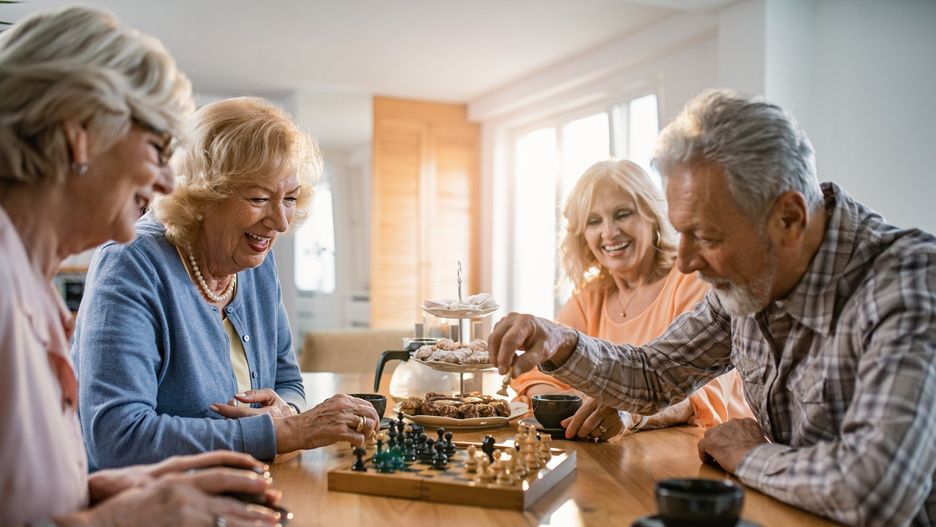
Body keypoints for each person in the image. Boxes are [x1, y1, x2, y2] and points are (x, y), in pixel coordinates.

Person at [489, 89, 936, 525]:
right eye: (681, 232)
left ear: (788, 218)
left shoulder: (908, 286)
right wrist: (561, 342)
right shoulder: (747, 284)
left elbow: (874, 491)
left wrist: (750, 455)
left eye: (707, 236)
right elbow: (654, 375)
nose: (684, 261)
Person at [0, 6, 282, 525]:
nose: (168, 184)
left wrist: (90, 493)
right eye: (156, 147)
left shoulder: (27, 281)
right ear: (78, 132)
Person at [72, 96, 379, 469]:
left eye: (291, 199)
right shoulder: (131, 263)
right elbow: (116, 439)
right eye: (259, 197)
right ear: (202, 196)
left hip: (246, 486)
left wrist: (290, 410)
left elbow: (287, 381)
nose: (281, 222)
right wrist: (286, 432)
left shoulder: (255, 265)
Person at [511, 160, 752, 441]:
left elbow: (701, 392)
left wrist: (629, 411)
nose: (609, 232)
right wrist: (568, 402)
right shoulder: (587, 299)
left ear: (652, 216)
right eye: (593, 221)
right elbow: (538, 376)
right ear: (582, 234)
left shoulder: (693, 281)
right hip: (619, 454)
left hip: (703, 451)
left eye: (622, 214)